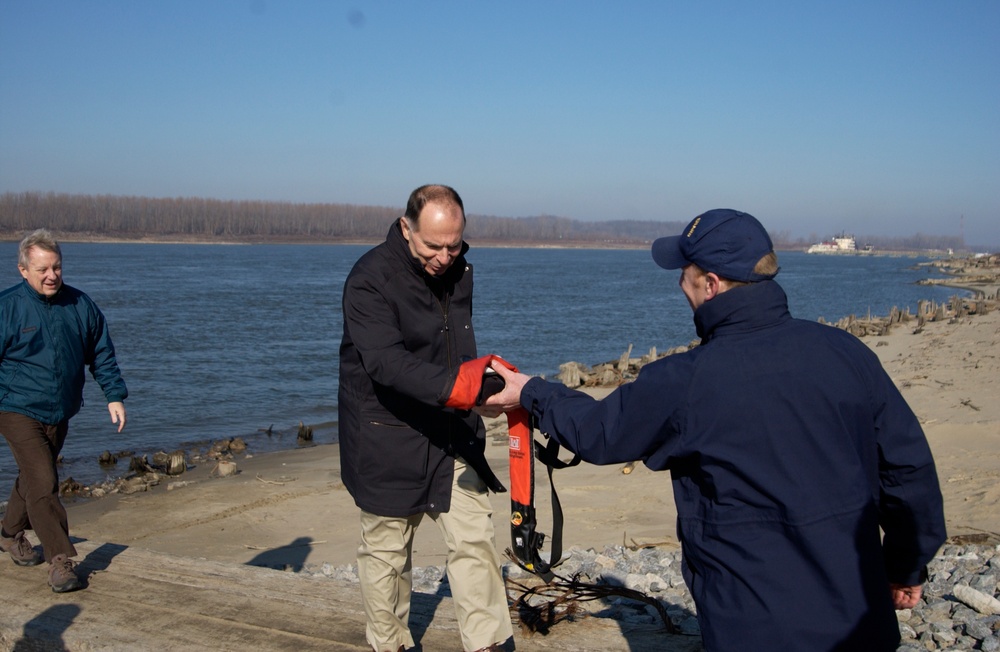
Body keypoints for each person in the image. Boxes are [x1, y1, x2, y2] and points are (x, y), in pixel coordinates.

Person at [484, 209, 947, 651]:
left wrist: (531, 392)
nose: (679, 286)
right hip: (861, 619)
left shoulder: (688, 380)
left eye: (683, 274)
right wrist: (907, 566)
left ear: (711, 284)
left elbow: (599, 432)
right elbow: (909, 474)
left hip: (755, 627)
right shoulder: (846, 352)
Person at [338, 185, 513, 652]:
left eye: (454, 245)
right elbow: (385, 363)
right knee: (387, 555)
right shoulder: (368, 279)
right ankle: (391, 644)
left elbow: (452, 350)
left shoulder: (458, 271)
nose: (443, 256)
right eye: (432, 245)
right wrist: (462, 388)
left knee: (474, 538)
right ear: (405, 228)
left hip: (453, 432)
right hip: (386, 436)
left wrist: (486, 380)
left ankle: (489, 644)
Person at [0, 228, 128, 593]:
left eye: (56, 267)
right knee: (43, 479)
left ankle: (8, 533)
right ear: (23, 270)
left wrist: (113, 395)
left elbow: (101, 353)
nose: (52, 275)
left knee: (32, 478)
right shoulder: (7, 308)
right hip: (14, 407)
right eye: (42, 269)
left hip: (60, 410)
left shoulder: (80, 305)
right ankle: (60, 561)